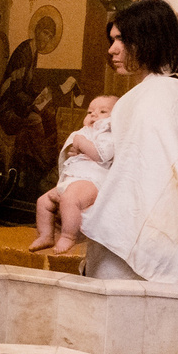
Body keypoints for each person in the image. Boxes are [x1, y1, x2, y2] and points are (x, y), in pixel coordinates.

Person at [74, 0, 178, 281]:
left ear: (146, 39)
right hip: (159, 235)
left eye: (120, 39)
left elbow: (133, 180)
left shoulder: (144, 99)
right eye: (112, 40)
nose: (112, 49)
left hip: (126, 243)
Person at [32, 94, 118, 253]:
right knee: (43, 202)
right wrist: (73, 149)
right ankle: (45, 235)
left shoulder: (109, 134)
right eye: (90, 111)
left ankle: (68, 236)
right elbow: (72, 151)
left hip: (92, 180)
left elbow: (102, 155)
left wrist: (80, 143)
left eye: (103, 111)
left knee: (69, 199)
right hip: (72, 180)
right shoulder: (85, 131)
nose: (93, 114)